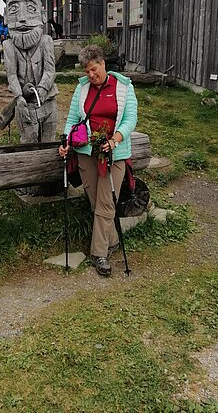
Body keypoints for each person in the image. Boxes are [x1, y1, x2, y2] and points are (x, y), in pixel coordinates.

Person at [59, 44, 138, 277]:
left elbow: (131, 118)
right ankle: (112, 239)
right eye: (87, 72)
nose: (91, 76)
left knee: (105, 202)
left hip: (114, 153)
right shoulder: (82, 89)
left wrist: (115, 139)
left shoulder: (123, 86)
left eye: (94, 70)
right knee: (96, 200)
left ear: (103, 63)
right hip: (86, 152)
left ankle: (99, 253)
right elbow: (73, 118)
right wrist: (65, 141)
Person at [0, 0, 58, 143]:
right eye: (14, 9)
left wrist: (41, 89)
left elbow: (50, 71)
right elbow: (11, 75)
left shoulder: (46, 41)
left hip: (48, 101)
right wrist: (19, 97)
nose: (23, 18)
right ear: (5, 17)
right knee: (28, 141)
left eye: (30, 8)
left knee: (49, 142)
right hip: (25, 105)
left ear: (42, 14)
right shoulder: (9, 46)